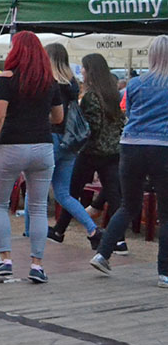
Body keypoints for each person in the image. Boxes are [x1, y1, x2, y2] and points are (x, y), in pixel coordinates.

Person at [0, 31, 63, 283]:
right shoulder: (50, 81)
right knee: (39, 208)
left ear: (15, 50)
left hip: (11, 145)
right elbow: (59, 118)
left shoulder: (7, 79)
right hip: (42, 146)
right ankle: (37, 265)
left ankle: (5, 259)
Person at [91, 35, 168, 289]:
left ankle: (103, 253)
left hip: (131, 145)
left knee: (128, 205)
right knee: (166, 214)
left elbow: (131, 111)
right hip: (162, 147)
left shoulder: (134, 84)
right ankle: (164, 273)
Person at [52, 54, 125, 251]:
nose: (81, 71)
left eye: (83, 68)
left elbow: (91, 127)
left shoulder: (92, 96)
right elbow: (119, 122)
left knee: (71, 192)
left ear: (90, 70)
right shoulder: (112, 93)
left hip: (91, 152)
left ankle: (60, 231)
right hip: (112, 151)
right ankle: (119, 239)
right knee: (113, 194)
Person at [33, 44, 102, 247]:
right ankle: (92, 230)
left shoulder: (48, 83)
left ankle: (31, 232)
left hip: (51, 138)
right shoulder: (72, 84)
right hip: (70, 142)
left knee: (35, 190)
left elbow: (50, 115)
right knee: (64, 193)